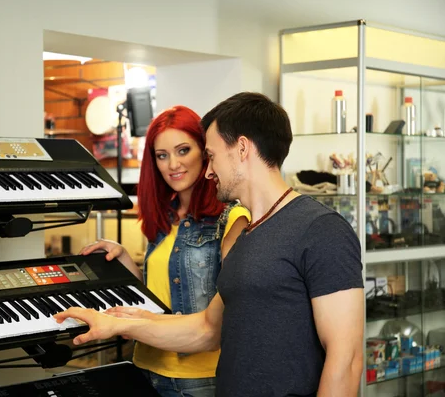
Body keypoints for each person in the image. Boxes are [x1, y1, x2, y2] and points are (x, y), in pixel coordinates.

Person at [55, 92, 365, 397]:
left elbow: (347, 361)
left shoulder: (322, 229)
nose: (208, 170)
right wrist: (113, 322)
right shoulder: (248, 235)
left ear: (242, 148)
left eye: (212, 156)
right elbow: (205, 329)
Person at [79, 105, 251, 397]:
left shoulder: (232, 218)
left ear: (205, 152)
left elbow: (231, 312)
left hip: (198, 379)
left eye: (183, 150)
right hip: (145, 366)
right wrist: (123, 258)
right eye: (162, 155)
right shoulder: (164, 217)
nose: (173, 164)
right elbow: (161, 298)